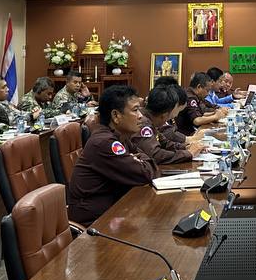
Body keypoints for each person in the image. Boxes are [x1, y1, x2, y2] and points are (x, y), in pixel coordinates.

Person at [67, 87, 159, 225]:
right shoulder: (104, 142)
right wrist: (138, 160)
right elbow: (145, 174)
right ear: (116, 116)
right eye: (135, 110)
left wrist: (139, 159)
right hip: (95, 224)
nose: (141, 116)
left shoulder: (120, 137)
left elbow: (149, 161)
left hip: (115, 212)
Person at [132, 87, 194, 165]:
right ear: (164, 115)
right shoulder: (144, 123)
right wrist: (188, 153)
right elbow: (155, 155)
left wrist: (186, 147)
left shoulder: (150, 120)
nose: (175, 115)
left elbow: (164, 143)